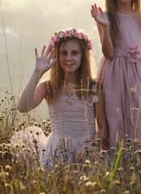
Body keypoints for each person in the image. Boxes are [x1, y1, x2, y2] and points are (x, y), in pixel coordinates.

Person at [90, 0, 141, 148]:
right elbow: (108, 53)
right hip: (115, 72)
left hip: (138, 71)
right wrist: (104, 27)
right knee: (116, 113)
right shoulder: (108, 18)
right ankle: (118, 157)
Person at [12, 28, 98, 167]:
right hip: (57, 149)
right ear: (56, 56)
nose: (68, 58)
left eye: (74, 53)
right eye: (63, 53)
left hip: (87, 147)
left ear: (83, 56)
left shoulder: (93, 87)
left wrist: (92, 146)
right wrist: (37, 73)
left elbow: (101, 124)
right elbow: (23, 107)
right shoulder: (49, 87)